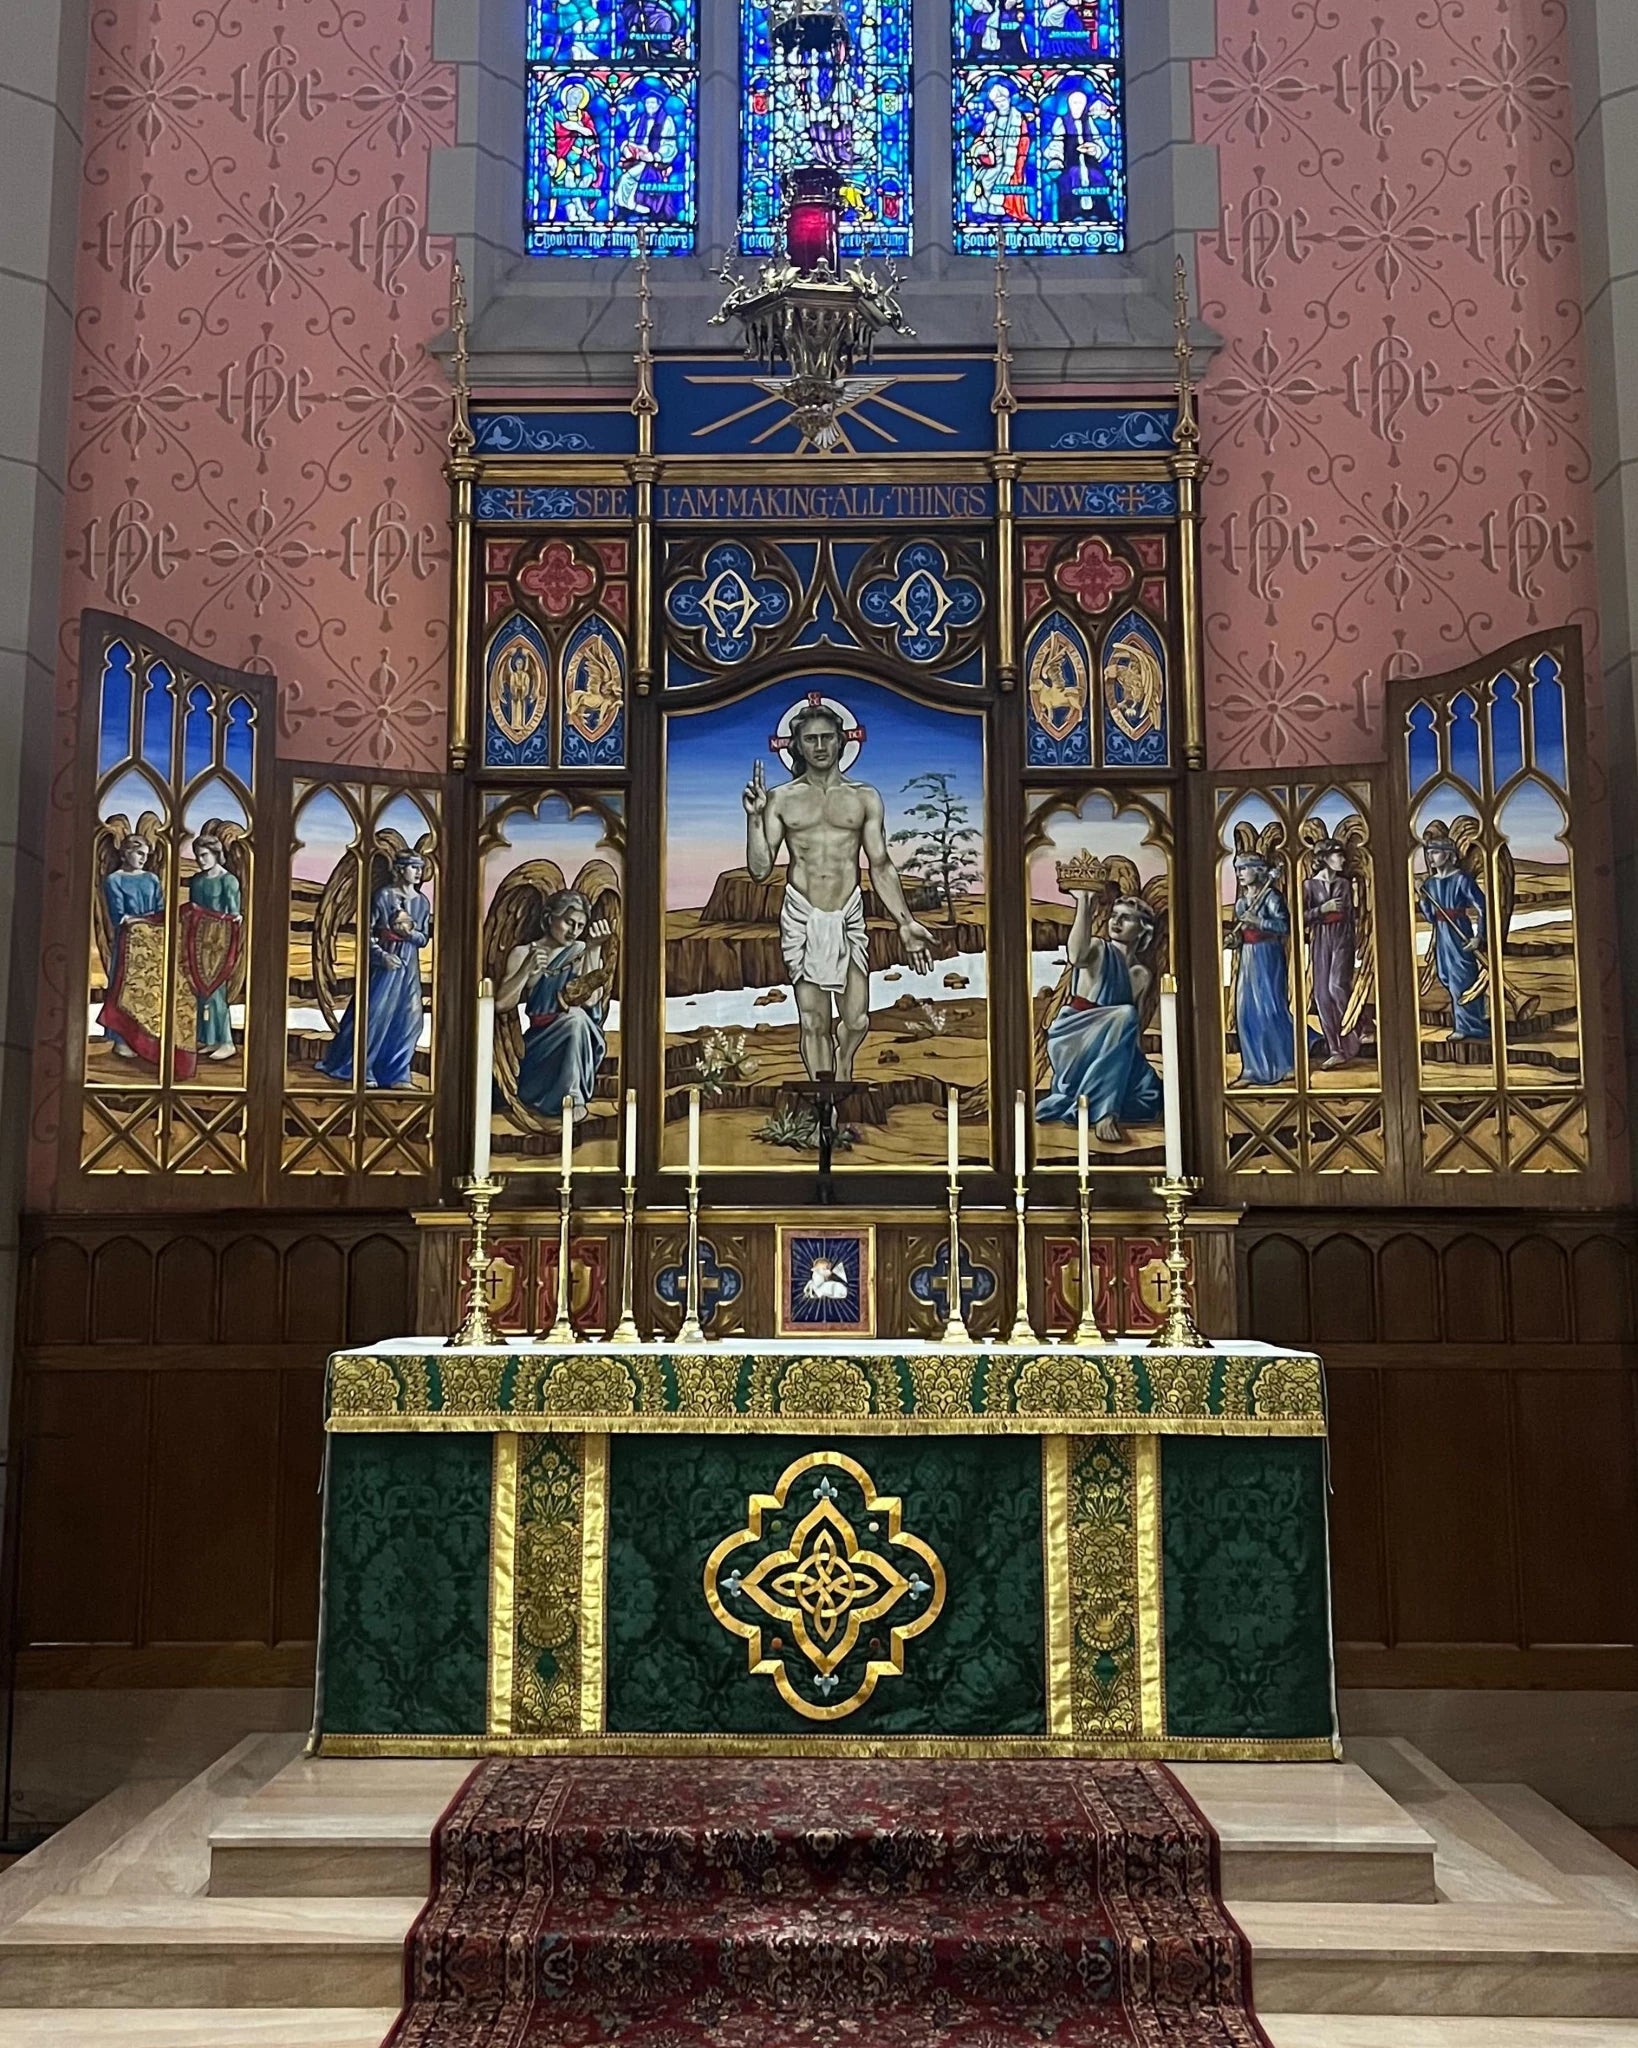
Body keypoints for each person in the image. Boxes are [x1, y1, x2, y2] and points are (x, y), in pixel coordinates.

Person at [744, 701, 935, 1081]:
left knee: (858, 1018)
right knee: (813, 1021)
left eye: (827, 738)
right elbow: (761, 869)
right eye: (810, 739)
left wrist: (905, 923)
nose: (819, 746)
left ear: (842, 741)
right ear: (796, 745)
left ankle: (844, 1058)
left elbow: (879, 864)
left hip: (848, 915)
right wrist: (753, 819)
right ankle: (825, 1102)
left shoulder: (864, 798)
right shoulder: (781, 799)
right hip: (802, 916)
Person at [1037, 892, 1162, 1143]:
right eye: (1114, 916)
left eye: (1126, 918)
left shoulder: (1141, 974)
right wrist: (1083, 901)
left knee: (1150, 1094)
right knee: (1125, 1014)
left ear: (1142, 931)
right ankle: (1104, 1112)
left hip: (1114, 1041)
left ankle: (1087, 1102)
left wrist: (1136, 1062)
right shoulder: (1097, 949)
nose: (1115, 922)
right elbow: (1075, 956)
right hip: (1075, 1035)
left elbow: (1132, 1028)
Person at [317, 851, 432, 1088]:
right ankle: (362, 1068)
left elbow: (423, 939)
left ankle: (397, 1074)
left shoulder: (422, 902)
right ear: (400, 869)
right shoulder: (384, 896)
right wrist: (382, 956)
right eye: (413, 867)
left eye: (420, 868)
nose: (419, 872)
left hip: (409, 968)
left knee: (410, 1020)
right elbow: (366, 934)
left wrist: (409, 934)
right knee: (375, 1016)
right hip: (385, 967)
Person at [495, 888, 611, 1122]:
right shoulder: (523, 952)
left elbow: (590, 999)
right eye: (569, 922)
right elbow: (501, 1004)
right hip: (540, 1043)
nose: (574, 931)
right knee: (574, 1020)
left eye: (580, 926)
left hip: (579, 1041)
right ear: (550, 918)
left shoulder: (580, 950)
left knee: (576, 1018)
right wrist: (526, 970)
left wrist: (594, 949)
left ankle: (573, 1095)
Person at [1416, 822, 1489, 1040]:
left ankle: (1468, 1027)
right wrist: (1422, 898)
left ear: (1448, 855)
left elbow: (1482, 906)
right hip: (1442, 935)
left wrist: (1479, 936)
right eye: (1429, 853)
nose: (1431, 857)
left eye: (1436, 852)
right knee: (1446, 976)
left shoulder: (1461, 879)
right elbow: (1430, 917)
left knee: (1462, 978)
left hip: (1460, 933)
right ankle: (1469, 1022)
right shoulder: (1430, 884)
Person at [1229, 847, 1295, 1084]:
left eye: (1244, 868)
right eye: (1237, 869)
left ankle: (1285, 1064)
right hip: (1248, 957)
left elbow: (1284, 927)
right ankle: (1251, 1069)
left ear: (1258, 871)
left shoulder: (1271, 897)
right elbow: (1242, 933)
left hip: (1268, 956)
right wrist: (1233, 940)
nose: (1240, 873)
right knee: (1246, 1011)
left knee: (1270, 1009)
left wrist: (1258, 921)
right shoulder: (1240, 904)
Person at [98, 834, 164, 1062]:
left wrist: (153, 924)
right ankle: (121, 1040)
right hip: (128, 942)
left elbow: (160, 909)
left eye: (146, 855)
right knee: (124, 989)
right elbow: (120, 916)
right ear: (126, 853)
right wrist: (140, 921)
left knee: (148, 990)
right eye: (139, 853)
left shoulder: (152, 879)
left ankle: (144, 1040)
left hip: (151, 941)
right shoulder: (114, 880)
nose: (144, 859)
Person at [1304, 838, 1363, 1068]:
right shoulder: (1309, 886)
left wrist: (1355, 943)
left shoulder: (1344, 885)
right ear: (1325, 859)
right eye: (1338, 855)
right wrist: (1322, 909)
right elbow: (1301, 917)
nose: (1343, 860)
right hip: (1321, 939)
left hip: (1342, 939)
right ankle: (1335, 1048)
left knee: (1336, 986)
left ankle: (1354, 1031)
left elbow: (1350, 916)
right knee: (1321, 994)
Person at [184, 833, 242, 1061]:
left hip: (219, 943)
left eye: (205, 855)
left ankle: (227, 1042)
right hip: (199, 941)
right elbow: (193, 910)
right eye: (197, 856)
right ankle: (210, 1040)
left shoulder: (229, 881)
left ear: (216, 854)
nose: (200, 860)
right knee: (201, 991)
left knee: (217, 992)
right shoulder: (197, 881)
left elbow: (235, 915)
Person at [967, 79, 1032, 225]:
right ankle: (987, 210)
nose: (1001, 104)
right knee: (983, 179)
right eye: (997, 102)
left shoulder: (1017, 118)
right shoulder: (991, 118)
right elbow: (982, 137)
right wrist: (980, 149)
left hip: (1011, 160)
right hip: (992, 159)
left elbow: (1024, 141)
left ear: (1008, 100)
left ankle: (1000, 209)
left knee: (995, 180)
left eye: (1003, 100)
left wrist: (1015, 160)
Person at [1044, 86, 1112, 225]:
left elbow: (1100, 143)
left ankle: (1096, 214)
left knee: (1098, 178)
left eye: (1080, 104)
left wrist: (1095, 150)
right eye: (1074, 103)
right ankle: (1073, 215)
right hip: (1070, 163)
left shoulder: (1089, 122)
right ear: (1069, 105)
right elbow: (1056, 143)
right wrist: (1056, 158)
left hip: (1090, 163)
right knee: (1072, 178)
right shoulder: (1062, 121)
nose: (1077, 107)